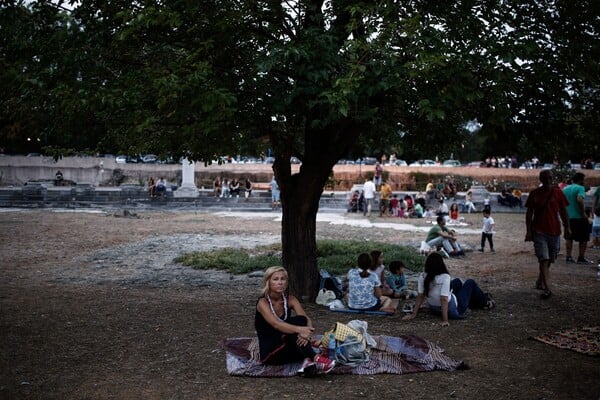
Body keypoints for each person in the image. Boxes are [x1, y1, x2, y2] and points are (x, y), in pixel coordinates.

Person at [255, 266, 335, 376]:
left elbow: (306, 319)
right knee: (292, 332)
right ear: (268, 282)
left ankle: (308, 362)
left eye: (283, 279)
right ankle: (315, 358)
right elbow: (276, 324)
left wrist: (307, 334)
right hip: (271, 352)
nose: (280, 282)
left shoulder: (291, 299)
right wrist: (300, 330)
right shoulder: (262, 303)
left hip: (287, 350)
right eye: (275, 279)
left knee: (300, 320)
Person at [402, 253, 495, 326]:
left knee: (457, 281)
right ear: (441, 264)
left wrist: (414, 314)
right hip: (454, 310)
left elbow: (420, 296)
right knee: (470, 282)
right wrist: (445, 320)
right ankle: (486, 302)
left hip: (435, 309)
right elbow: (443, 298)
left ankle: (476, 301)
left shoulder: (423, 276)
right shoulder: (445, 276)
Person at [525, 169, 570, 299]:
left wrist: (567, 227)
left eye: (550, 177)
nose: (548, 180)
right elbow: (529, 213)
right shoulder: (535, 193)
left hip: (555, 231)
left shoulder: (558, 193)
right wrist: (528, 231)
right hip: (539, 231)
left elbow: (563, 211)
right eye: (545, 178)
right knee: (543, 259)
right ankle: (547, 288)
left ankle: (540, 280)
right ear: (541, 179)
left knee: (549, 259)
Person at [562, 172, 593, 264]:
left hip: (568, 217)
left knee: (569, 238)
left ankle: (569, 257)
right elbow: (579, 199)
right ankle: (581, 258)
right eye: (584, 180)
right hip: (579, 217)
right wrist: (583, 212)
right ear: (580, 180)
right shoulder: (580, 188)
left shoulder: (565, 188)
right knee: (584, 238)